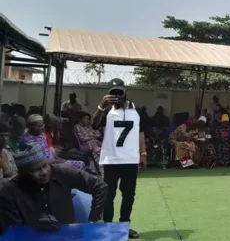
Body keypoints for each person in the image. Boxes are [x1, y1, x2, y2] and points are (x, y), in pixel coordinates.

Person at [0, 143, 107, 234]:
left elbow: (100, 186)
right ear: (23, 174)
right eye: (35, 170)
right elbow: (13, 233)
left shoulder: (62, 172)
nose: (44, 172)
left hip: (70, 236)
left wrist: (92, 220)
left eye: (45, 166)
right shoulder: (10, 192)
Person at [91, 78, 146, 239]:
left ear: (125, 91)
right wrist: (101, 106)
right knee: (109, 194)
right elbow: (94, 125)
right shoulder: (106, 110)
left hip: (130, 159)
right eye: (113, 93)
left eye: (119, 92)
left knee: (129, 195)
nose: (117, 96)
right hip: (111, 160)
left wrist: (143, 154)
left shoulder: (137, 109)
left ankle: (124, 225)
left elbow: (140, 132)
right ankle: (108, 225)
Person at [20, 114, 86, 170]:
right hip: (44, 165)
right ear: (30, 127)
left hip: (54, 160)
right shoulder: (27, 140)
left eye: (42, 125)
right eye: (39, 126)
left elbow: (49, 151)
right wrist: (62, 161)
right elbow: (40, 161)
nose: (42, 128)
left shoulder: (41, 135)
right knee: (77, 165)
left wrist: (63, 160)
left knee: (80, 163)